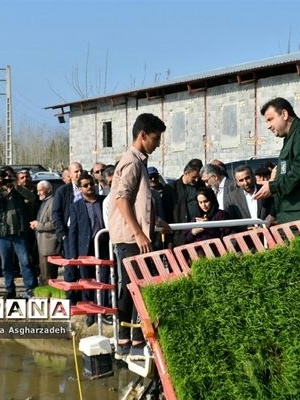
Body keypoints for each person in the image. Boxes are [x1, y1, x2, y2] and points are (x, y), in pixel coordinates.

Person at [108, 113, 170, 360]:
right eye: (156, 138)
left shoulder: (137, 162)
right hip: (131, 237)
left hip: (138, 234)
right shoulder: (132, 163)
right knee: (133, 287)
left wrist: (155, 222)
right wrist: (139, 232)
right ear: (143, 135)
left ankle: (133, 339)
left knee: (136, 286)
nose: (158, 144)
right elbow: (122, 199)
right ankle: (127, 340)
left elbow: (138, 203)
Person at [0, 167, 37, 299]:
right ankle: (10, 289)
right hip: (2, 233)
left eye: (9, 175)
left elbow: (32, 197)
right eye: (5, 176)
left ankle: (30, 289)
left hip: (19, 232)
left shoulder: (19, 189)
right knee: (6, 264)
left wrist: (17, 186)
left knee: (25, 262)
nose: (7, 178)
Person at [68, 173, 109, 325]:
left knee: (103, 279)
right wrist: (74, 256)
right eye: (85, 185)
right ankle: (90, 312)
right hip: (85, 247)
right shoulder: (76, 206)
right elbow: (73, 231)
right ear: (80, 189)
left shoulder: (103, 201)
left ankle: (103, 311)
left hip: (103, 245)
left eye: (91, 184)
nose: (89, 187)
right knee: (87, 281)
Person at [167, 159, 204, 246]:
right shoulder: (171, 189)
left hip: (199, 233)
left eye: (198, 177)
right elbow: (167, 213)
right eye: (194, 177)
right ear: (186, 173)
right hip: (179, 235)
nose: (197, 180)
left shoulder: (201, 186)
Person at [29, 180, 59, 285]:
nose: (38, 193)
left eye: (40, 190)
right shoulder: (44, 202)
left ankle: (49, 297)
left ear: (48, 190)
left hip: (49, 245)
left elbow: (55, 224)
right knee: (43, 274)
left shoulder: (53, 202)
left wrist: (39, 225)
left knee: (48, 275)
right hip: (41, 244)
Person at [52, 162, 83, 257]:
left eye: (81, 171)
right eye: (76, 171)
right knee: (70, 264)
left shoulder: (88, 188)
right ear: (70, 174)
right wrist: (62, 233)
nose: (80, 174)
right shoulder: (62, 191)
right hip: (69, 232)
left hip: (85, 231)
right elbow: (56, 213)